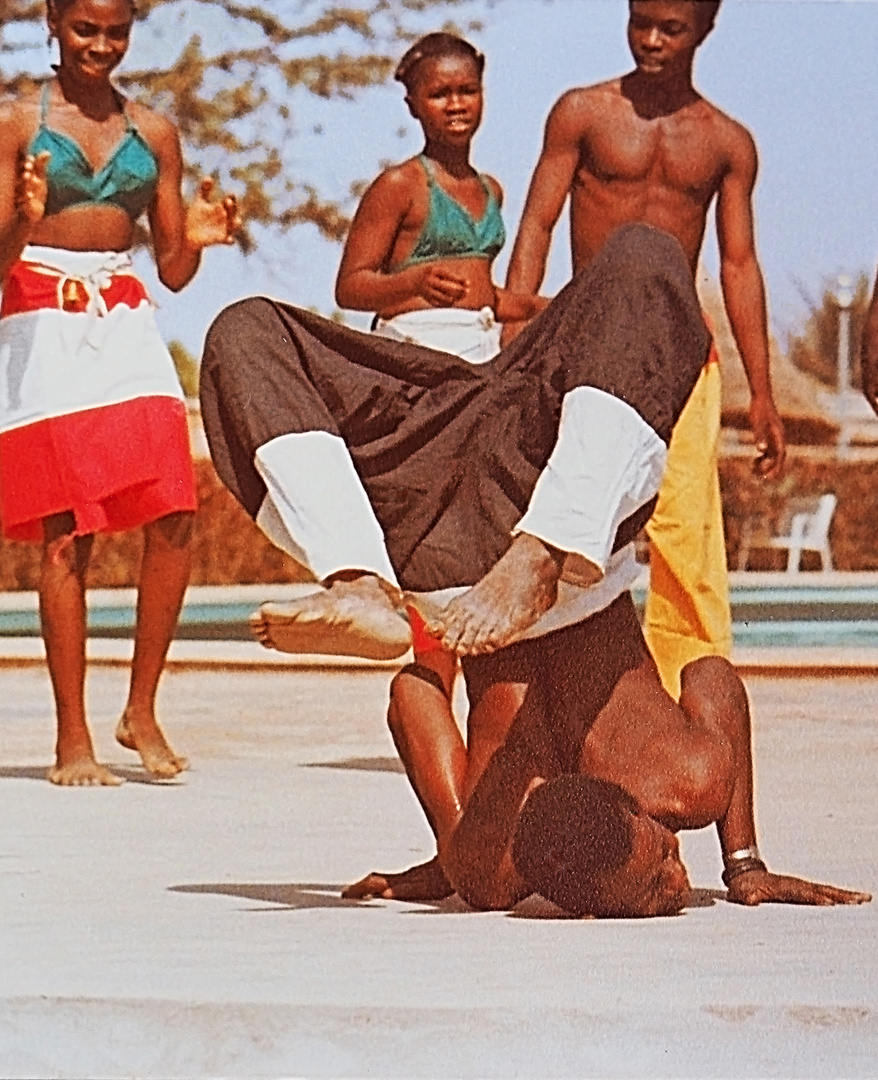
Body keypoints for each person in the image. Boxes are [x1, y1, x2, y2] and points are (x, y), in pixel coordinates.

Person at [501, 0, 786, 699]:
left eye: (672, 29)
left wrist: (764, 392)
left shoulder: (726, 142)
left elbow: (740, 264)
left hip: (679, 356)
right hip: (586, 344)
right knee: (568, 523)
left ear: (705, 31)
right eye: (641, 23)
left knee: (686, 539)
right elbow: (537, 224)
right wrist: (513, 337)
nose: (652, 41)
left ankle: (688, 701)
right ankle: (552, 692)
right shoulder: (583, 113)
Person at [0, 0, 240, 786]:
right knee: (68, 529)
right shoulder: (12, 123)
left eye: (114, 32)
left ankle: (141, 708)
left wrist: (199, 235)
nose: (100, 46)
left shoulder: (155, 131)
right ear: (54, 26)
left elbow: (170, 267)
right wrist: (23, 219)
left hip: (125, 312)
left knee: (173, 508)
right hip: (40, 312)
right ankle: (73, 738)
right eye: (83, 30)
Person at [343, 592, 871, 917]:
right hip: (511, 579)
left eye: (660, 862)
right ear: (582, 910)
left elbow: (412, 694)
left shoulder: (686, 776)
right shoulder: (484, 868)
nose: (680, 883)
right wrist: (457, 839)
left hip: (510, 573)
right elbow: (712, 677)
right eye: (658, 888)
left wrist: (456, 846)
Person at [333, 31, 548, 786]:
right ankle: (435, 729)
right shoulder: (401, 186)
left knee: (482, 547)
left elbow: (487, 298)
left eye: (467, 91)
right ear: (413, 102)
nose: (455, 105)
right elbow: (351, 286)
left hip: (477, 371)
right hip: (414, 375)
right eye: (439, 93)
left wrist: (546, 305)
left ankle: (491, 752)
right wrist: (413, 287)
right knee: (429, 556)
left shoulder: (489, 189)